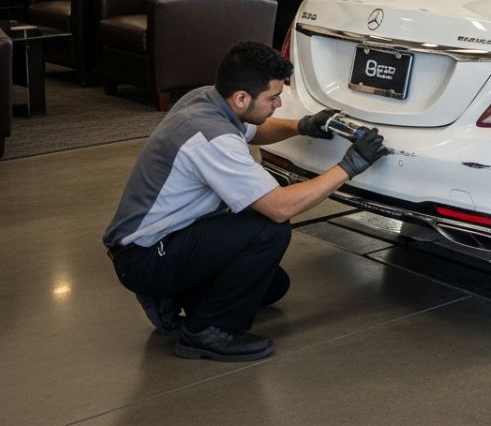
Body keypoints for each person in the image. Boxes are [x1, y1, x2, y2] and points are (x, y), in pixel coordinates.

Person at [103, 41, 390, 362]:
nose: (279, 104)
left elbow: (256, 129)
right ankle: (205, 334)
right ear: (241, 97)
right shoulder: (212, 137)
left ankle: (176, 296)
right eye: (273, 97)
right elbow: (280, 207)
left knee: (272, 286)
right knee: (269, 228)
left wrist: (304, 126)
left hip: (160, 244)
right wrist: (348, 167)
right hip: (147, 259)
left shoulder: (206, 98)